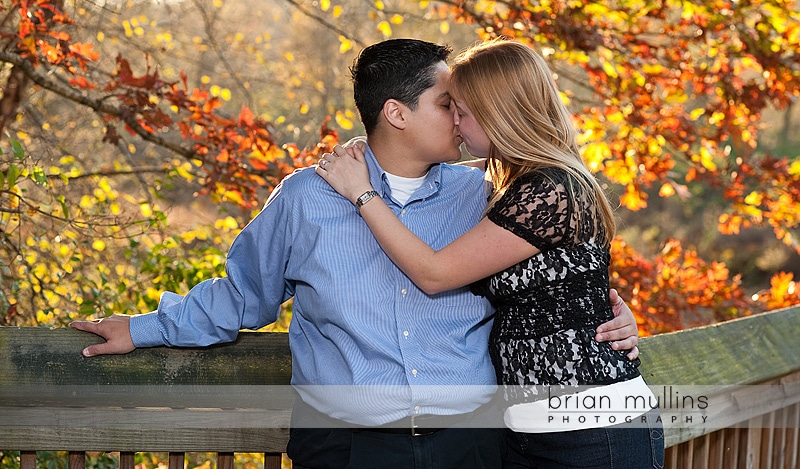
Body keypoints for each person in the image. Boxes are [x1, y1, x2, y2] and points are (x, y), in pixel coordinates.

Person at [71, 38, 641, 469]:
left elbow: (556, 274)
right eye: (450, 104)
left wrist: (610, 313)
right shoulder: (306, 199)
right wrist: (144, 329)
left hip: (476, 441)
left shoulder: (485, 194)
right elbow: (244, 295)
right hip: (348, 446)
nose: (464, 118)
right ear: (397, 113)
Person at [316, 38, 664, 468]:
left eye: (460, 110)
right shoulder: (512, 181)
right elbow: (414, 166)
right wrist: (376, 157)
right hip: (525, 432)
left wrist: (363, 192)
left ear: (498, 112)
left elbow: (434, 273)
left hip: (594, 432)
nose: (455, 123)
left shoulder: (550, 190)